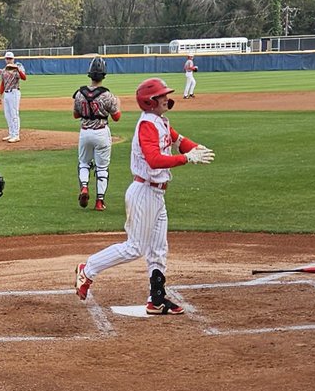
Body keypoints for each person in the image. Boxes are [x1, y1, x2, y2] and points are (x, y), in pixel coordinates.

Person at [74, 77, 214, 316]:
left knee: (158, 248)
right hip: (144, 192)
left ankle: (156, 299)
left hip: (157, 195)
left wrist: (195, 148)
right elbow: (154, 159)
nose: (166, 98)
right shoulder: (147, 124)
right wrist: (186, 159)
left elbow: (178, 140)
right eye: (161, 96)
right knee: (135, 247)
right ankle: (88, 269)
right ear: (150, 101)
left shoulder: (160, 121)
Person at [74, 56, 122, 211]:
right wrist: (118, 104)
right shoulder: (107, 95)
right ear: (104, 75)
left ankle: (85, 187)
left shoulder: (80, 94)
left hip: (85, 132)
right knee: (102, 168)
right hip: (101, 132)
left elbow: (75, 115)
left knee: (83, 163)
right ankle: (100, 202)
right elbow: (116, 117)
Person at [0, 50, 27, 142]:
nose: (9, 60)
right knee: (7, 114)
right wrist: (0, 96)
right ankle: (11, 133)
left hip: (14, 92)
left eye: (10, 58)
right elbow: (2, 84)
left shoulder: (18, 68)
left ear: (13, 59)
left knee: (14, 113)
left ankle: (16, 135)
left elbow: (24, 78)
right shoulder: (3, 71)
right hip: (6, 93)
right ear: (5, 59)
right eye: (7, 58)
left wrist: (17, 69)